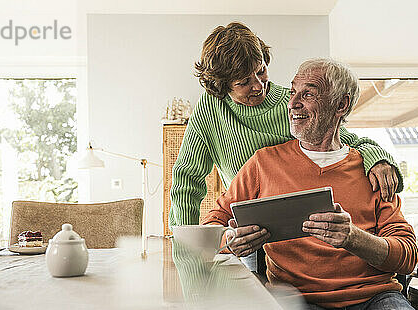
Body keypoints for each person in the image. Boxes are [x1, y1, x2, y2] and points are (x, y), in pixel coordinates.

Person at [203, 58, 418, 310]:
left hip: (378, 301)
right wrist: (230, 239)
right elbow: (214, 222)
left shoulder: (372, 171)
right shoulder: (264, 164)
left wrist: (355, 239)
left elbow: (407, 256)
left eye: (308, 94)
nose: (293, 103)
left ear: (340, 104)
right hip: (304, 303)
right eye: (293, 93)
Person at [169, 22, 402, 235]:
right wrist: (185, 242)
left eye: (260, 71)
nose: (258, 86)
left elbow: (343, 139)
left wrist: (377, 159)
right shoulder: (211, 109)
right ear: (222, 86)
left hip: (298, 225)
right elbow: (187, 179)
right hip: (249, 230)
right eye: (243, 82)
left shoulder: (292, 106)